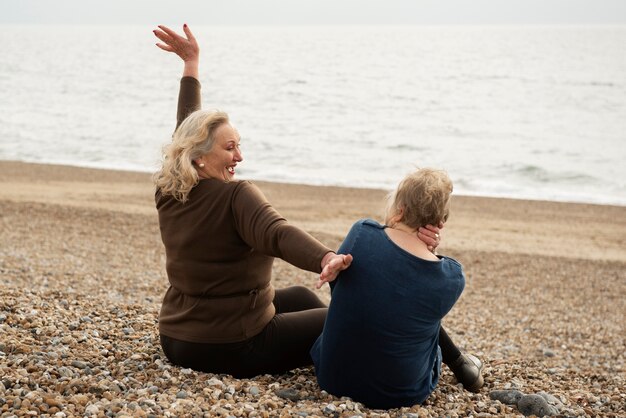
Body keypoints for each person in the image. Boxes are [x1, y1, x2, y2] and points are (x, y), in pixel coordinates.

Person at [151, 24, 444, 378]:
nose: (239, 156)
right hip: (230, 344)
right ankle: (367, 365)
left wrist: (191, 67)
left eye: (239, 145)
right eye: (230, 148)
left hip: (176, 337)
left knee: (302, 300)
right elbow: (277, 232)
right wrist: (326, 257)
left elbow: (186, 131)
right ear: (199, 155)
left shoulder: (170, 186)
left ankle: (334, 350)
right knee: (340, 317)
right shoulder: (235, 196)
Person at [310, 168, 484, 409]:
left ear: (400, 210)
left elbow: (343, 286)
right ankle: (463, 364)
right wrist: (430, 254)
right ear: (440, 223)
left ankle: (462, 363)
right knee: (422, 316)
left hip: (332, 378)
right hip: (400, 393)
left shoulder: (362, 233)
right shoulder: (451, 277)